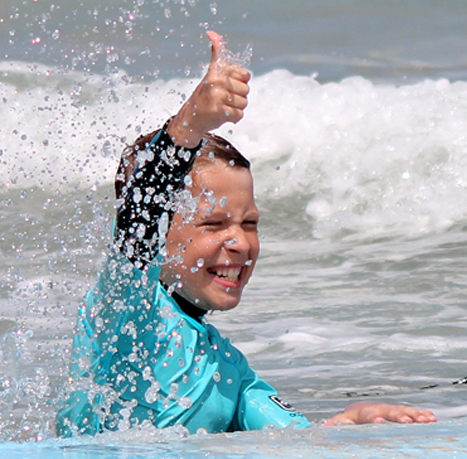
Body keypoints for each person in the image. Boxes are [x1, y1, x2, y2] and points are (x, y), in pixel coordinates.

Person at [57, 31, 436, 437]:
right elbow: (140, 214)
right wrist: (190, 123)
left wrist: (349, 425)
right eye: (214, 224)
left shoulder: (227, 368)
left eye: (249, 223)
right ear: (158, 239)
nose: (240, 243)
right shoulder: (125, 313)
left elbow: (294, 442)